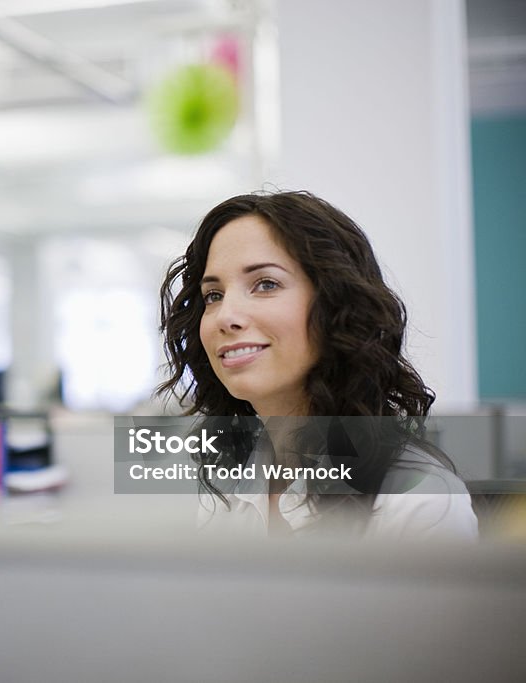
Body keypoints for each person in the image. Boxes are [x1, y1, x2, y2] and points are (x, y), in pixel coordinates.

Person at [157, 191, 477, 539]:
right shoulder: (227, 485)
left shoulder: (418, 500)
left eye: (265, 284)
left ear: (337, 308)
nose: (226, 316)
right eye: (213, 296)